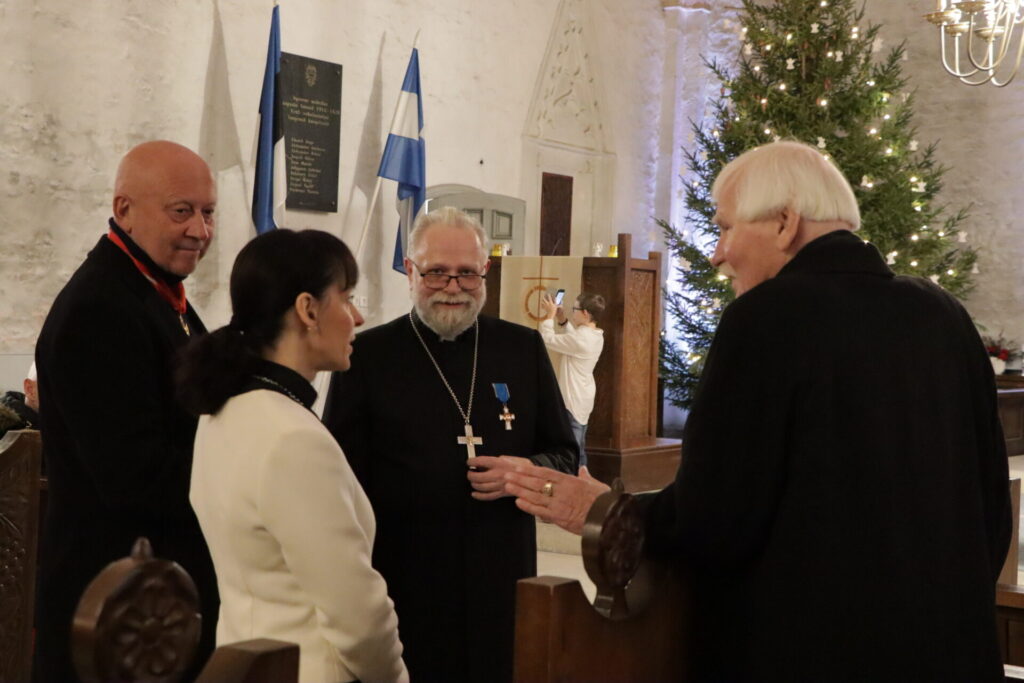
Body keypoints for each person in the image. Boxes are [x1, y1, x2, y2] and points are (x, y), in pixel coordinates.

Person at [505, 140, 1012, 681]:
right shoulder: (943, 314)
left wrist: (606, 510)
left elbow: (715, 521)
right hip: (950, 653)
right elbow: (992, 509)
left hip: (811, 657)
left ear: (785, 223)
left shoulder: (765, 318)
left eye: (724, 228)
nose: (716, 254)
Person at [322, 206, 578, 683]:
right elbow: (338, 479)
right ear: (410, 270)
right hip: (405, 580)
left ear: (485, 271)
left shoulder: (521, 349)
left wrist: (523, 472)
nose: (453, 287)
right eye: (437, 273)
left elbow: (566, 453)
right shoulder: (367, 356)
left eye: (467, 273)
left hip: (502, 576)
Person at [178, 229, 408, 683]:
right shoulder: (293, 439)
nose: (358, 317)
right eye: (347, 298)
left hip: (247, 665)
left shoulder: (222, 411)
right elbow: (357, 615)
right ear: (308, 310)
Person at [33, 141, 219, 682]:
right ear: (124, 210)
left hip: (153, 598)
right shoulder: (100, 309)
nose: (200, 230)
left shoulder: (152, 289)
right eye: (181, 211)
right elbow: (136, 480)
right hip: (116, 610)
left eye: (208, 213)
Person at [538, 291, 605, 468]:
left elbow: (545, 339)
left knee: (572, 452)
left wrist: (549, 316)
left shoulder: (582, 339)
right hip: (583, 394)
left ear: (585, 313)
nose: (572, 312)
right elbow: (573, 341)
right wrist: (562, 319)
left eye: (574, 309)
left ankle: (573, 482)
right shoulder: (595, 334)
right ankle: (583, 480)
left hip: (573, 398)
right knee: (579, 448)